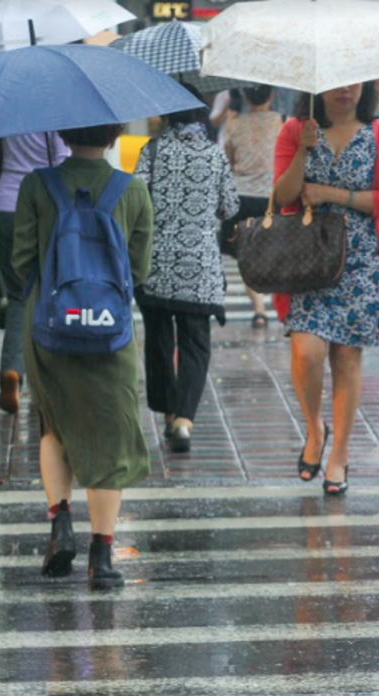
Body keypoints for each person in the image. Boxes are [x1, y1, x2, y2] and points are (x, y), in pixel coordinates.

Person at [12, 122, 153, 588]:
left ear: (65, 132)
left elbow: (22, 261)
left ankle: (60, 525)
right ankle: (103, 557)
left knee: (55, 425)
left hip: (49, 327)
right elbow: (139, 270)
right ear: (114, 136)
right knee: (109, 435)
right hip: (108, 333)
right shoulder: (130, 190)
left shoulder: (37, 184)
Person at [273, 84, 379, 495]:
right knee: (305, 353)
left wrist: (334, 194)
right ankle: (315, 428)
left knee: (347, 359)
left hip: (360, 260)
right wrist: (302, 151)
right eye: (335, 83)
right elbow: (281, 197)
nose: (345, 90)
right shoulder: (296, 130)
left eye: (354, 82)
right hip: (309, 258)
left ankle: (339, 455)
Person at [134, 86, 240, 453]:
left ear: (166, 116)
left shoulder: (152, 150)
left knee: (159, 340)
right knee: (195, 343)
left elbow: (136, 200)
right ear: (198, 115)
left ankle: (166, 412)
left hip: (157, 264)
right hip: (199, 268)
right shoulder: (214, 155)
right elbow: (229, 207)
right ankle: (184, 419)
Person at [0, 132, 70, 414]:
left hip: (4, 204)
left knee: (17, 296)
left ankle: (12, 368)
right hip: (42, 206)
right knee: (49, 293)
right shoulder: (51, 113)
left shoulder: (9, 107)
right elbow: (62, 161)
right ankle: (44, 381)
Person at [222, 84, 284, 328]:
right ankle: (281, 305)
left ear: (246, 97)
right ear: (272, 94)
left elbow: (229, 160)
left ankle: (259, 310)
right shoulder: (284, 122)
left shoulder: (235, 125)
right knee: (275, 255)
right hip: (273, 197)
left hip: (242, 198)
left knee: (246, 257)